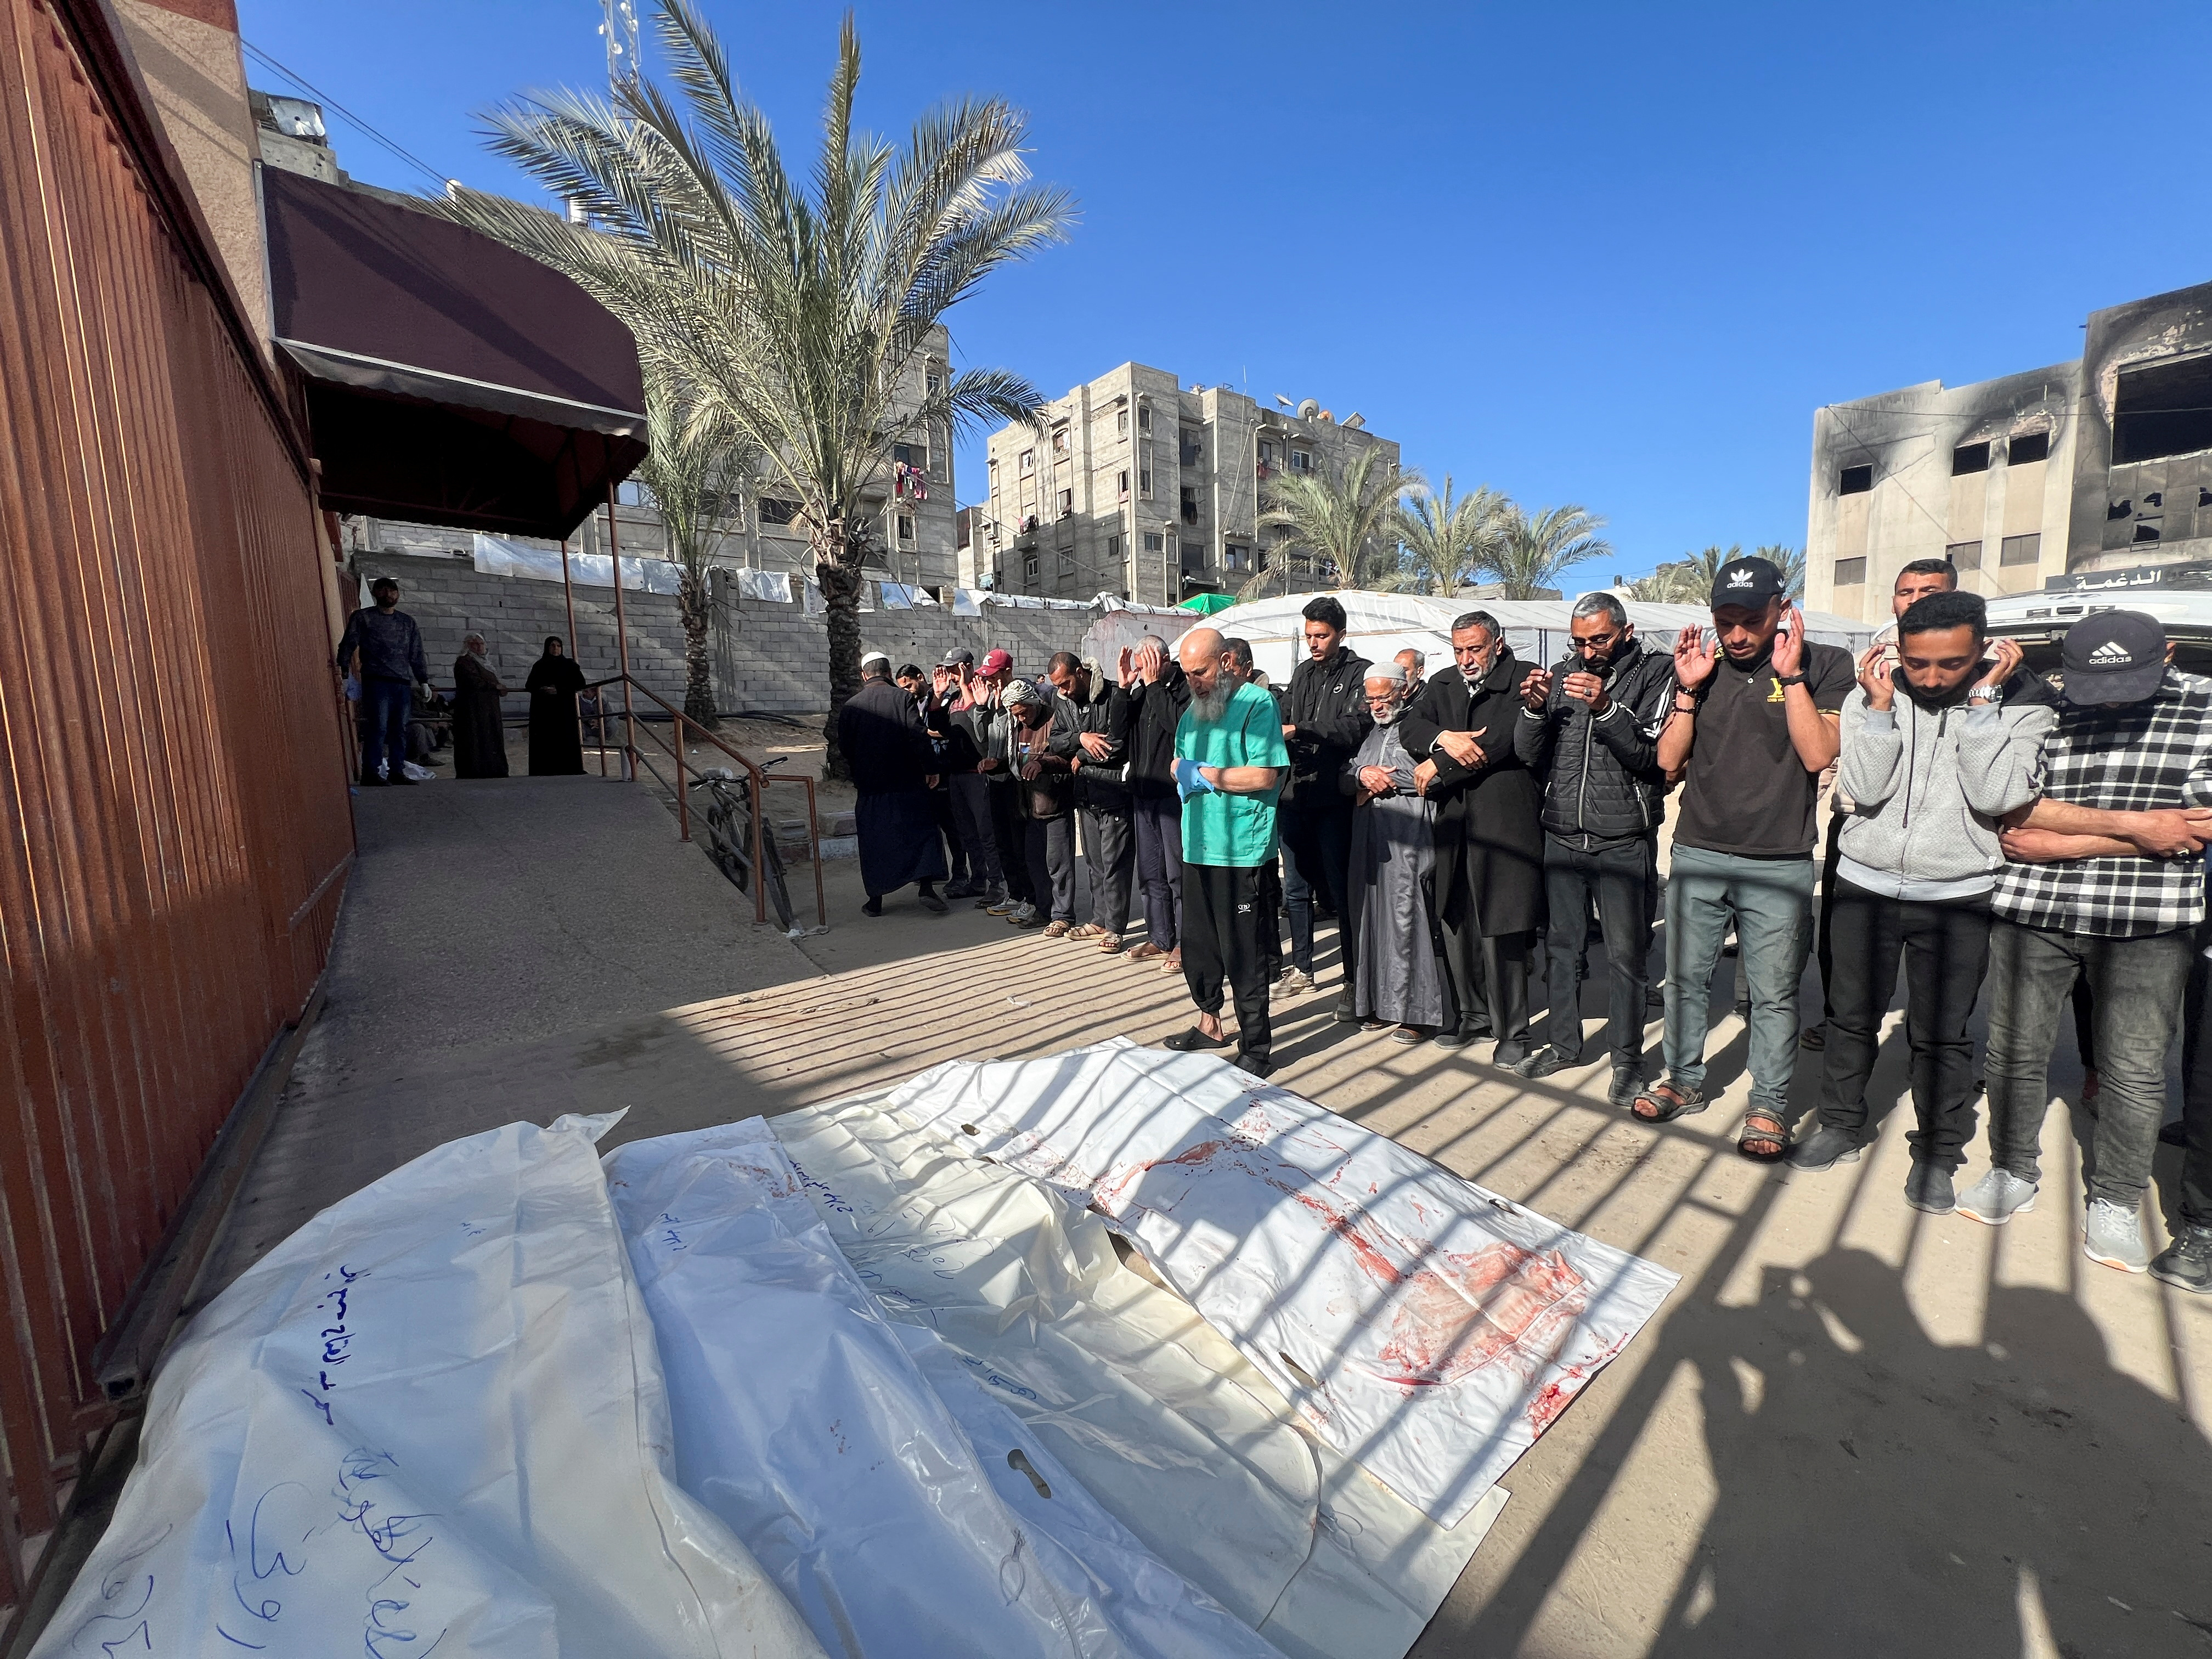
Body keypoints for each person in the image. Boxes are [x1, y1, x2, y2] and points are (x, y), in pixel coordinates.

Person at [1785, 592, 2054, 1215]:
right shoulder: (1869, 695)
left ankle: (1936, 1153)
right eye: (1917, 662)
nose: (1931, 678)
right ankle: (1841, 1126)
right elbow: (1864, 787)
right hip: (1864, 883)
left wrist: (1983, 705)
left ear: (1984, 652)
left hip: (1957, 893)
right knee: (1849, 1016)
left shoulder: (2024, 705)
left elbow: (1995, 796)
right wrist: (1879, 709)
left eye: (1951, 664)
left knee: (1941, 1033)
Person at [1962, 611, 2212, 1273]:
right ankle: (2012, 1169)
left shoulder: (2205, 709)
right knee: (2014, 1053)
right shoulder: (2051, 703)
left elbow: (2197, 827)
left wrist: (2062, 839)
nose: (2108, 702)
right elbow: (2014, 813)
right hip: (2036, 908)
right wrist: (2143, 830)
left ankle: (2116, 1200)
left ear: (2169, 657)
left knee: (2132, 1071)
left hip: (2148, 917)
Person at [1637, 556, 1852, 1156]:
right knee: (1684, 980)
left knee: (1774, 992)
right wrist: (1686, 689)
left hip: (1779, 860)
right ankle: (1683, 1081)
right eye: (1724, 620)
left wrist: (1795, 678)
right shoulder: (1699, 671)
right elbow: (1668, 762)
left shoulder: (1826, 663)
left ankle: (1769, 1107)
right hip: (1699, 851)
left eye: (1750, 620)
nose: (1736, 635)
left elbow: (1818, 756)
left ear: (1782, 611)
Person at [1511, 591, 1676, 1102]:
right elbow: (1528, 754)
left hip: (1622, 838)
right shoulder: (1561, 674)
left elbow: (1652, 757)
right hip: (1562, 832)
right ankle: (1565, 1045)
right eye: (1579, 641)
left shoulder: (1655, 672)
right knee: (1563, 947)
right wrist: (1535, 711)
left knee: (1627, 955)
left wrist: (1606, 708)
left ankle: (1628, 1061)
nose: (1588, 651)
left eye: (1599, 639)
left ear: (1626, 632)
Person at [1805, 558, 1962, 1051]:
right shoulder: (1875, 657)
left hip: (1939, 839)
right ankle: (1841, 1020)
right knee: (1841, 939)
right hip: (1860, 820)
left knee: (1938, 966)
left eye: (1928, 591)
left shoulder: (1968, 664)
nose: (1914, 600)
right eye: (1905, 591)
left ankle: (1935, 1043)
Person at [1402, 611, 1548, 1065]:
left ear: (1497, 645)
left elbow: (1500, 742)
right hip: (1454, 823)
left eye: (1475, 649)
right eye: (1459, 649)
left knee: (1502, 928)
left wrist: (1438, 765)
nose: (1466, 659)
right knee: (1457, 920)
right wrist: (1444, 738)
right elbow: (1411, 727)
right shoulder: (1443, 683)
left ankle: (1514, 1031)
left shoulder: (1524, 679)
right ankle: (1472, 1013)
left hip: (1504, 823)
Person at [1161, 627, 1288, 1076]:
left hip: (1241, 848)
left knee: (1244, 951)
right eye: (1187, 673)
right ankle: (1209, 1022)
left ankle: (1257, 1045)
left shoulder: (1257, 704)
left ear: (1227, 663)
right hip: (1197, 843)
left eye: (1202, 671)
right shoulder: (1190, 713)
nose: (1194, 681)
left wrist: (1209, 775)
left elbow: (1265, 776)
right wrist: (1182, 770)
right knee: (1200, 945)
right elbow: (1178, 764)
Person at [1277, 597, 1373, 1019]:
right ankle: (1302, 968)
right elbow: (1282, 712)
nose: (1314, 643)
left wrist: (1303, 729)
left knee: (1340, 890)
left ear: (1340, 634)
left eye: (1322, 635)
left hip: (1334, 801)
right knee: (1295, 888)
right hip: (1294, 797)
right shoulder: (1301, 674)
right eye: (1310, 635)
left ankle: (1354, 980)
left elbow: (1356, 727)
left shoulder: (1360, 673)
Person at [1343, 670, 1448, 1041]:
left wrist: (1385, 779)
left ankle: (1417, 1014)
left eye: (1383, 698)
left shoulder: (1422, 726)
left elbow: (1437, 774)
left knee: (1408, 919)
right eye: (1370, 700)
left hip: (1409, 833)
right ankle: (1378, 1004)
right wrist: (1362, 776)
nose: (1376, 706)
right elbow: (1347, 772)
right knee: (1371, 918)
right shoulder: (1368, 732)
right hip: (1369, 836)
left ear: (1402, 691)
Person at [837, 651, 949, 917]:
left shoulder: (851, 706)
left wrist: (859, 773)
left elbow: (844, 748)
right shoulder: (903, 698)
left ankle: (875, 899)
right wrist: (931, 769)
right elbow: (917, 736)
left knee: (874, 840)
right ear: (889, 673)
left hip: (871, 789)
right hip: (908, 783)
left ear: (864, 675)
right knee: (920, 833)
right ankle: (926, 888)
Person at [1052, 651, 1135, 951]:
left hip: (1113, 793)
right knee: (1095, 863)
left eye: (1066, 683)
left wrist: (1080, 754)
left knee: (1115, 864)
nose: (1062, 691)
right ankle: (1099, 920)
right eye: (1058, 686)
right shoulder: (1062, 703)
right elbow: (1055, 740)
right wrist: (1082, 739)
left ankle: (1115, 927)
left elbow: (1117, 743)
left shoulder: (1112, 694)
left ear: (1080, 672)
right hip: (1085, 795)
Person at [1123, 634, 1192, 969]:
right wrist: (1125, 689)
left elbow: (1178, 727)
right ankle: (1159, 937)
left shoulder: (1183, 689)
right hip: (1143, 794)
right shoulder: (1141, 691)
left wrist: (1154, 687)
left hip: (1172, 797)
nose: (1142, 674)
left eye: (1145, 667)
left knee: (1177, 873)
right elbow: (1119, 733)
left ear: (1163, 661)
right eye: (1138, 669)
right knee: (1150, 873)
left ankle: (1184, 942)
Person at [335, 577, 431, 787]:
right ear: (376, 593)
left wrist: (423, 680)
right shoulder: (363, 618)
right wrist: (342, 672)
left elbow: (416, 652)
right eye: (383, 590)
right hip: (376, 681)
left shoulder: (407, 622)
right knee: (377, 727)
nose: (389, 594)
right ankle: (371, 771)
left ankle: (397, 770)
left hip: (401, 682)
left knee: (399, 729)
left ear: (398, 594)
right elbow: (348, 644)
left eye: (392, 590)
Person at [1006, 678, 1079, 933]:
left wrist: (1044, 763)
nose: (1022, 718)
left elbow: (1068, 756)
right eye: (1017, 715)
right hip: (1029, 806)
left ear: (1034, 703)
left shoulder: (1054, 721)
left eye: (1025, 712)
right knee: (1035, 862)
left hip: (1053, 803)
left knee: (1058, 864)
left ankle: (1063, 915)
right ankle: (1043, 909)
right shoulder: (1016, 726)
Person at [968, 648, 1036, 921]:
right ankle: (1015, 894)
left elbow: (1025, 741)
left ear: (1007, 672)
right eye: (987, 677)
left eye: (994, 676)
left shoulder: (1020, 698)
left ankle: (1031, 898)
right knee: (1002, 843)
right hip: (995, 782)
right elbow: (983, 739)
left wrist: (1003, 762)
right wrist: (982, 707)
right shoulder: (993, 701)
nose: (990, 682)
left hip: (1017, 783)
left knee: (1021, 846)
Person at [936, 650, 1002, 904]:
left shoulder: (983, 693)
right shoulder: (952, 699)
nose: (951, 676)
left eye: (954, 670)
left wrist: (967, 689)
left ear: (966, 667)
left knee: (986, 832)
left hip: (978, 774)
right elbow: (938, 728)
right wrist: (939, 694)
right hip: (957, 775)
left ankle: (996, 884)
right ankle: (977, 881)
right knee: (967, 833)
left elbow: (981, 734)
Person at [902, 661, 972, 895]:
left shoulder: (941, 698)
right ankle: (938, 870)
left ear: (921, 678)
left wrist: (922, 732)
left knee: (953, 828)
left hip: (944, 770)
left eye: (910, 685)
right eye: (902, 688)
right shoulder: (907, 705)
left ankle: (962, 874)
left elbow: (942, 730)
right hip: (924, 775)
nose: (908, 691)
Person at [523, 636, 588, 776]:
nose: (556, 649)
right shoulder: (540, 665)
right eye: (552, 646)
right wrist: (543, 689)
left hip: (564, 709)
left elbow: (580, 683)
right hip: (544, 710)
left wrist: (559, 689)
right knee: (545, 740)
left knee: (566, 737)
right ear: (547, 648)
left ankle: (569, 768)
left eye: (558, 646)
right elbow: (530, 685)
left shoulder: (570, 665)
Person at [451, 632, 511, 779]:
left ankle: (493, 770)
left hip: (488, 710)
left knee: (490, 740)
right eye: (474, 644)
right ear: (468, 646)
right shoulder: (464, 662)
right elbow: (472, 681)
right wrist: (494, 686)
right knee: (474, 741)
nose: (478, 647)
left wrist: (499, 688)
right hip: (472, 710)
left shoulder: (485, 664)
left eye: (481, 644)